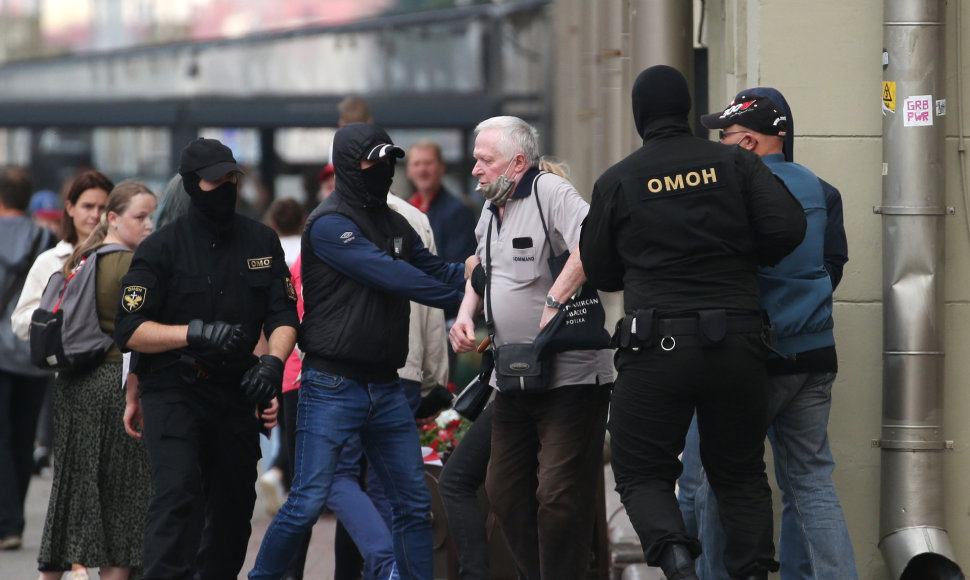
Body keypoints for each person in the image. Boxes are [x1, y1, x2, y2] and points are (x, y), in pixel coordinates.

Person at [579, 65, 806, 580]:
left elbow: (599, 270)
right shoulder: (734, 164)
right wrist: (742, 255)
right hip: (738, 342)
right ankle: (750, 573)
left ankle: (677, 561)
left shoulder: (619, 179)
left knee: (640, 471)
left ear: (639, 116)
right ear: (685, 109)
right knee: (741, 474)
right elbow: (787, 228)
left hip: (656, 346)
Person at [249, 122, 465, 580]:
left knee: (411, 504)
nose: (385, 168)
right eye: (375, 159)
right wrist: (461, 298)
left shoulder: (394, 221)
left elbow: (437, 270)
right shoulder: (329, 225)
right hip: (332, 384)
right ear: (350, 163)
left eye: (391, 159)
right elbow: (392, 276)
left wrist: (484, 278)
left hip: (386, 385)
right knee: (307, 501)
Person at [677, 89, 856, 580]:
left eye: (728, 136)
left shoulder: (729, 189)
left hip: (749, 359)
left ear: (752, 142)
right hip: (814, 355)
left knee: (714, 482)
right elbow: (833, 267)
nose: (722, 145)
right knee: (812, 485)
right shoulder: (823, 191)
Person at [114, 137, 299, 580]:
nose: (228, 186)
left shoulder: (261, 240)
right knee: (177, 496)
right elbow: (130, 328)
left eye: (232, 177)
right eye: (217, 179)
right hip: (174, 389)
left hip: (234, 392)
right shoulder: (160, 249)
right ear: (194, 185)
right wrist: (192, 333)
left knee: (235, 507)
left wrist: (273, 363)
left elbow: (283, 312)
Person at [449, 116, 613, 580]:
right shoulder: (489, 210)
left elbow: (592, 241)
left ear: (517, 162)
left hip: (571, 375)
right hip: (514, 374)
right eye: (476, 160)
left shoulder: (549, 193)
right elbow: (479, 266)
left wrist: (556, 299)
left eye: (485, 160)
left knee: (557, 494)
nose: (476, 170)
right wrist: (466, 313)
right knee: (502, 490)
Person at [438, 155, 572, 580]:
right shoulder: (500, 221)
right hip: (520, 381)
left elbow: (488, 272)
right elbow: (478, 267)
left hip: (539, 384)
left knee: (483, 485)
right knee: (519, 494)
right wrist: (472, 281)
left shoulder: (547, 247)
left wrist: (477, 269)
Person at [38, 181, 157, 580]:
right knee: (122, 505)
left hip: (74, 385)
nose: (150, 225)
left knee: (73, 494)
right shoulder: (127, 265)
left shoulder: (82, 258)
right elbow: (144, 330)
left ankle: (60, 569)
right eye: (140, 216)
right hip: (113, 387)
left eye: (152, 215)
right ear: (114, 219)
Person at [11, 171, 113, 480]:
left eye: (102, 207)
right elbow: (21, 320)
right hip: (71, 381)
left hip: (120, 385)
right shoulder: (50, 262)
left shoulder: (127, 256)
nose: (95, 215)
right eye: (87, 206)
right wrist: (60, 326)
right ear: (69, 208)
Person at [0, 168, 56, 551]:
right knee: (23, 436)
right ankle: (13, 518)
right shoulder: (45, 238)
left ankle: (7, 522)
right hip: (33, 350)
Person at [406, 140, 478, 266]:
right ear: (408, 171)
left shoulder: (459, 212)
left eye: (428, 163)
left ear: (441, 168)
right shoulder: (403, 208)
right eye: (416, 164)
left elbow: (457, 266)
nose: (422, 170)